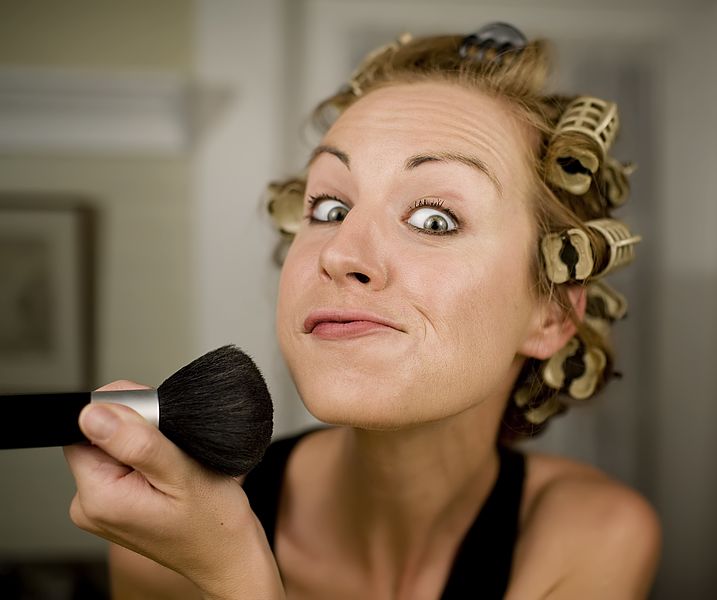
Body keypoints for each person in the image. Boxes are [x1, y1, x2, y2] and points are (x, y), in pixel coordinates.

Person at [63, 23, 660, 599]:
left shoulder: (594, 536)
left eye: (434, 219)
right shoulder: (163, 541)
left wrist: (235, 577)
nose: (342, 252)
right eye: (328, 208)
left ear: (551, 316)